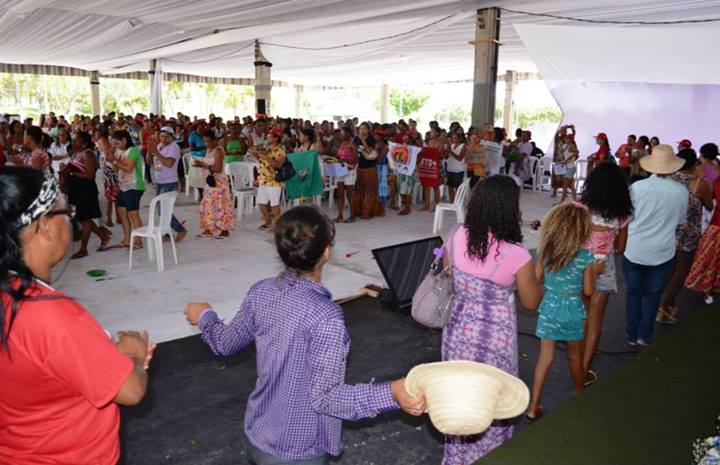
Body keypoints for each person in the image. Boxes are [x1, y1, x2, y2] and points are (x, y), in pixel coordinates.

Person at [183, 206, 424, 465]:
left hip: (257, 434)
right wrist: (391, 392)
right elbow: (327, 397)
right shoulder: (325, 316)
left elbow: (225, 343)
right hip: (298, 451)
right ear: (326, 252)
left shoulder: (261, 292)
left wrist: (205, 316)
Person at [0, 167, 153, 465]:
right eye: (66, 212)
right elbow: (131, 390)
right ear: (44, 226)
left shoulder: (10, 295)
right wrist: (132, 356)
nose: (70, 220)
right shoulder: (50, 315)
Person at [442, 175, 542, 462]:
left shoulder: (456, 236)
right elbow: (531, 302)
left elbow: (449, 275)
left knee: (460, 400)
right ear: (510, 209)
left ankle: (457, 457)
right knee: (493, 402)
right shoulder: (517, 254)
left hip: (457, 331)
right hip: (494, 341)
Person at [528, 203, 604, 421]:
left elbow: (537, 278)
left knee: (544, 357)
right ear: (582, 230)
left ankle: (533, 406)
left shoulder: (547, 252)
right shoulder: (586, 256)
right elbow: (588, 292)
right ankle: (580, 394)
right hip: (572, 311)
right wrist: (596, 272)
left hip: (549, 308)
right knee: (575, 357)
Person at [623, 145, 687, 346]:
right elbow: (680, 221)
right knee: (653, 295)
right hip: (663, 251)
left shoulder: (637, 187)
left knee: (634, 293)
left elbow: (628, 216)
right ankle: (645, 335)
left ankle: (631, 335)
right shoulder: (681, 191)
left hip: (635, 248)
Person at [580, 163, 633, 385]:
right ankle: (584, 370)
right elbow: (621, 247)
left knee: (582, 316)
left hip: (581, 264)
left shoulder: (582, 208)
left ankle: (575, 361)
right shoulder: (622, 214)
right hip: (605, 265)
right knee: (596, 321)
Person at [62, 131, 112, 259]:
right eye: (73, 140)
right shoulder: (75, 153)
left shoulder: (88, 154)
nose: (73, 142)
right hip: (76, 189)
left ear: (84, 143)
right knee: (83, 218)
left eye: (76, 140)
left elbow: (89, 175)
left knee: (85, 219)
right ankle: (103, 237)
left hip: (85, 190)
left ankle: (83, 249)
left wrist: (72, 174)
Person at [146, 126, 188, 242]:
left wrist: (155, 152)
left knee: (163, 210)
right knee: (161, 209)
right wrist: (150, 149)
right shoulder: (159, 146)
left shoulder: (174, 147)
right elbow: (149, 162)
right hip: (160, 181)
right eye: (162, 136)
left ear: (172, 137)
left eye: (167, 137)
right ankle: (167, 233)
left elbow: (169, 163)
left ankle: (180, 230)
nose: (164, 139)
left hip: (169, 182)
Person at [193, 130, 235, 239]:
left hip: (219, 183)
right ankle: (209, 229)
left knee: (221, 205)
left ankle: (224, 230)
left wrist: (204, 165)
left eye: (208, 141)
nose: (206, 144)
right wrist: (200, 165)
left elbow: (218, 169)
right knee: (209, 205)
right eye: (204, 142)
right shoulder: (209, 149)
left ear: (214, 140)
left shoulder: (218, 150)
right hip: (210, 182)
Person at [108, 130, 145, 250]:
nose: (115, 146)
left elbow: (129, 168)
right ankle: (127, 239)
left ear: (124, 140)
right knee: (122, 213)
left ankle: (138, 241)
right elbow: (116, 169)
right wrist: (112, 157)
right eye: (113, 144)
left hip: (134, 185)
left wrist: (115, 161)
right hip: (123, 185)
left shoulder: (133, 150)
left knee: (133, 213)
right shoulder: (119, 152)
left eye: (117, 143)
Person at [256, 127, 286, 230]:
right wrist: (257, 154)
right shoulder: (268, 148)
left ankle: (278, 228)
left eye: (270, 136)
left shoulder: (281, 150)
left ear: (276, 138)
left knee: (274, 205)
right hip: (264, 179)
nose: (267, 138)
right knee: (261, 203)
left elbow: (278, 165)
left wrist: (265, 157)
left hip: (274, 181)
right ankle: (268, 223)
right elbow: (262, 160)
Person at [353, 122, 384, 220]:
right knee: (359, 189)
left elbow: (369, 151)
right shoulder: (356, 139)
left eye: (364, 129)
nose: (362, 130)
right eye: (360, 128)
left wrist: (363, 141)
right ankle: (359, 210)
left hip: (370, 168)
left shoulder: (371, 139)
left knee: (369, 190)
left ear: (368, 130)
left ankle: (369, 211)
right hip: (360, 167)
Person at [95, 123, 120, 228]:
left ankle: (118, 217)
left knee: (117, 194)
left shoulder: (108, 138)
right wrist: (114, 145)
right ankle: (109, 218)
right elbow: (108, 153)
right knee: (111, 195)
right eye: (111, 127)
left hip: (112, 167)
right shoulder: (103, 140)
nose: (113, 128)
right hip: (110, 169)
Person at [334, 127, 358, 223]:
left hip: (349, 171)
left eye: (342, 133)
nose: (340, 135)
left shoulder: (352, 145)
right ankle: (340, 215)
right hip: (341, 169)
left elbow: (356, 160)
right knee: (340, 193)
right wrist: (335, 159)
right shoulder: (342, 144)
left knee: (350, 193)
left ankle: (352, 216)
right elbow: (339, 155)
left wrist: (345, 161)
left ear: (348, 134)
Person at [555, 132, 579, 204]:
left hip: (570, 167)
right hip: (567, 167)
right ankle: (575, 200)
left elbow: (576, 152)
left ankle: (562, 201)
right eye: (566, 139)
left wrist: (568, 158)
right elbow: (560, 153)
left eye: (568, 139)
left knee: (565, 185)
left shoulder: (571, 145)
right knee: (571, 186)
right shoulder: (565, 146)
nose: (566, 140)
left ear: (571, 140)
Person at [446, 131, 466, 203]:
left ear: (459, 139)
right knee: (450, 187)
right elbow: (447, 157)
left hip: (458, 170)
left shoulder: (463, 146)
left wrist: (451, 152)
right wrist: (447, 151)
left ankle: (458, 203)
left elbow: (460, 158)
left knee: (457, 188)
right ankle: (452, 202)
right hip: (450, 169)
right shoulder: (451, 145)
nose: (452, 139)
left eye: (454, 138)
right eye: (452, 137)